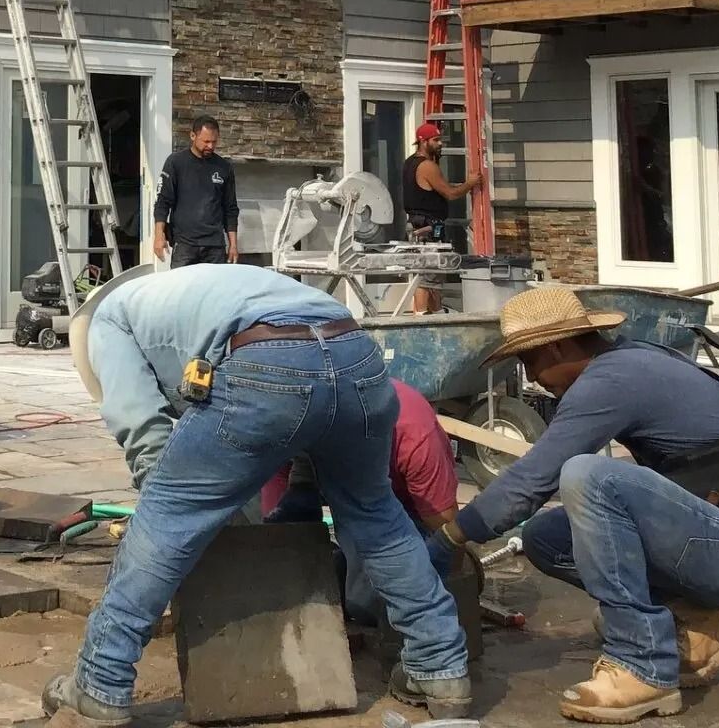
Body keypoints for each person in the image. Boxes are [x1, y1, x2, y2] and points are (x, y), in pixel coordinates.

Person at [43, 264, 471, 724]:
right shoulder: (201, 289)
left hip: (267, 359)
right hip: (357, 357)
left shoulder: (107, 321)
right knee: (375, 514)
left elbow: (147, 434)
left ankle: (101, 680)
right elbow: (303, 389)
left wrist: (181, 515)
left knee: (162, 520)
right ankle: (440, 665)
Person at [440, 287, 719, 723]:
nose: (532, 379)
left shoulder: (610, 380)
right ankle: (697, 623)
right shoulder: (636, 358)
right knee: (546, 538)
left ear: (558, 347)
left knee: (589, 477)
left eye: (530, 362)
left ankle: (642, 664)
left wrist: (450, 536)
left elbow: (531, 481)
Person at [262, 379, 460, 626]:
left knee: (368, 604)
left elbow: (445, 526)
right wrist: (277, 547)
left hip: (409, 509)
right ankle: (334, 573)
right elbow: (277, 481)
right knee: (284, 534)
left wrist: (448, 581)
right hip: (326, 468)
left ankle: (351, 578)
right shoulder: (299, 418)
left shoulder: (415, 435)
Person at [153, 115, 239, 268]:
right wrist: (159, 236)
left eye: (214, 142)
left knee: (215, 290)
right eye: (206, 141)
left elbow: (230, 208)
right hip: (185, 245)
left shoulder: (224, 168)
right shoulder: (175, 163)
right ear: (193, 136)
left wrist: (233, 245)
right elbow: (162, 202)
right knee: (181, 289)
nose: (211, 146)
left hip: (215, 246)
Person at [403, 123, 481, 250]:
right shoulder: (427, 166)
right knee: (435, 265)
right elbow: (450, 193)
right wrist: (470, 183)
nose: (440, 144)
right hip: (427, 227)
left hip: (415, 223)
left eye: (440, 140)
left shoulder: (409, 162)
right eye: (436, 140)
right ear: (423, 142)